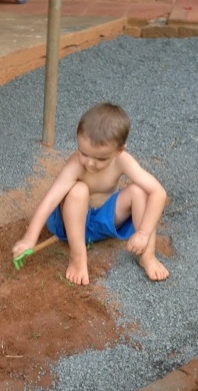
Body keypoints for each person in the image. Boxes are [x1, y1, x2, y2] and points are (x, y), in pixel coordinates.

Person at [12, 102, 169, 284]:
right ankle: (78, 257)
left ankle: (147, 256)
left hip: (104, 221)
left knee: (139, 191)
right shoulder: (75, 165)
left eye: (100, 158)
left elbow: (158, 192)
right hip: (71, 224)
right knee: (78, 190)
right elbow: (50, 199)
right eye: (84, 153)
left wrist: (143, 233)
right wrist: (29, 238)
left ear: (119, 151)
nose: (90, 163)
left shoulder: (123, 161)